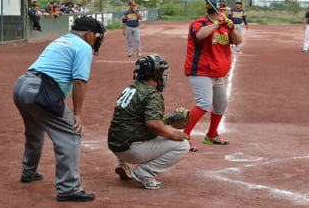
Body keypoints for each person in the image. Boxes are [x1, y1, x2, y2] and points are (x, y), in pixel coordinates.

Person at [13, 16, 105, 202]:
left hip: (22, 85)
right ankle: (69, 188)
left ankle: (28, 172)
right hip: (41, 90)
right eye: (95, 36)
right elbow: (79, 81)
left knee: (34, 132)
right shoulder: (83, 46)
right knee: (71, 133)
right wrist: (77, 114)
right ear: (88, 34)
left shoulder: (62, 40)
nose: (96, 40)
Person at [107, 54, 189, 190]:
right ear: (154, 74)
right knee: (182, 145)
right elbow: (152, 124)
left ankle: (122, 164)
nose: (164, 76)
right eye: (162, 73)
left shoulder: (130, 88)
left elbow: (136, 119)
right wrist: (172, 134)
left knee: (133, 128)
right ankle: (144, 173)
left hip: (115, 145)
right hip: (131, 149)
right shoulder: (152, 94)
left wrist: (166, 120)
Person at [183, 0, 242, 152]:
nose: (225, 12)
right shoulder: (200, 23)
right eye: (223, 10)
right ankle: (184, 137)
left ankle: (211, 134)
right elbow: (199, 35)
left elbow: (238, 41)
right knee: (203, 103)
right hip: (200, 71)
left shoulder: (225, 26)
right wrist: (216, 23)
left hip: (216, 74)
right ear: (216, 10)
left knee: (221, 104)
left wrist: (232, 28)